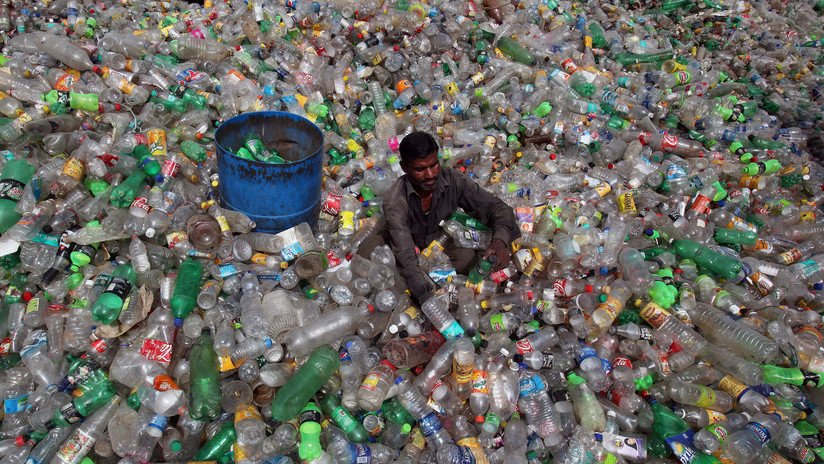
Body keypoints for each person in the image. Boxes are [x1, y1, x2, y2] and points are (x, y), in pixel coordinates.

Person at [358, 131, 521, 305]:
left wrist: (499, 241)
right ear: (404, 167)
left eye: (434, 165)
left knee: (468, 260)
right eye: (420, 169)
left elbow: (498, 207)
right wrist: (427, 300)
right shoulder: (396, 201)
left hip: (440, 238)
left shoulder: (452, 179)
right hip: (401, 243)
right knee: (368, 253)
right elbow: (405, 256)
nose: (430, 174)